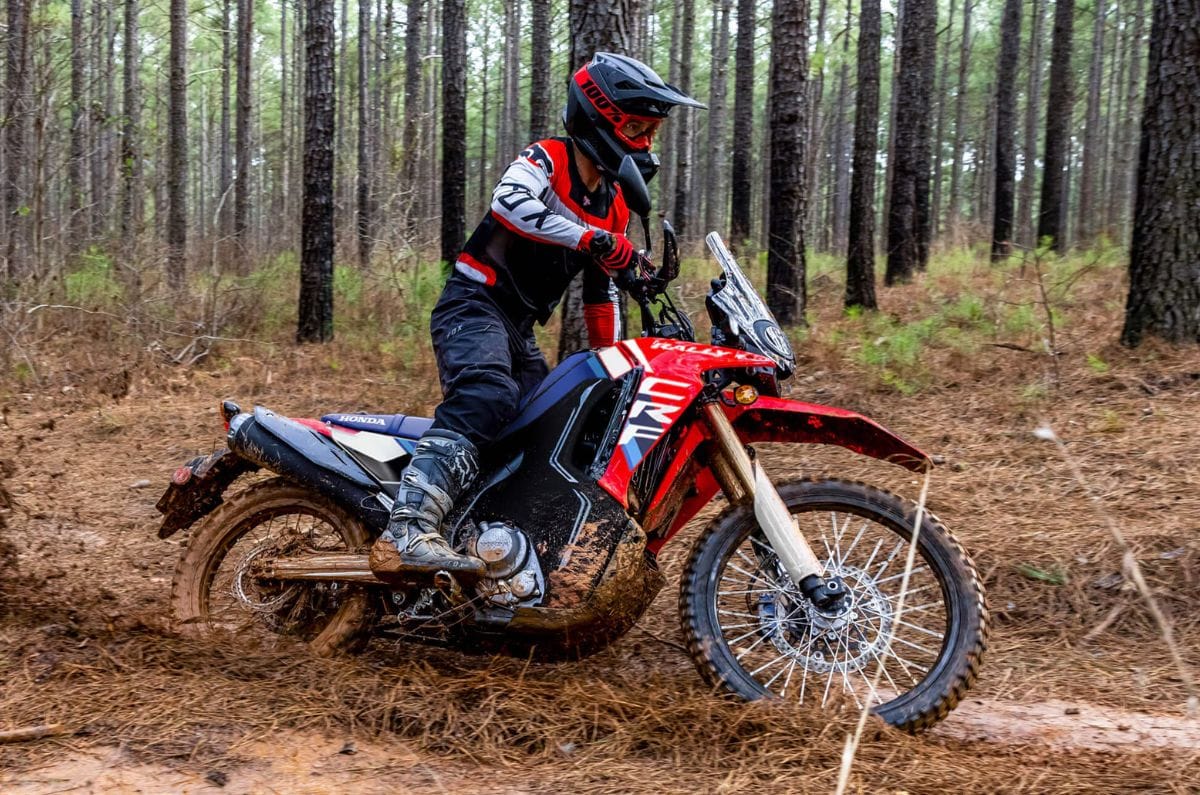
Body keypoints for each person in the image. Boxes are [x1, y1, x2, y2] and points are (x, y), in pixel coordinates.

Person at [369, 53, 704, 583]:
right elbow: (509, 203)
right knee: (486, 395)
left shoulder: (614, 206)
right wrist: (591, 239)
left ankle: (488, 536)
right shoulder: (547, 158)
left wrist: (614, 361)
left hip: (518, 328)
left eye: (651, 131)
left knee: (548, 429)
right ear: (599, 118)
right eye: (635, 128)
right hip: (473, 304)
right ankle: (407, 530)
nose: (644, 142)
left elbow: (601, 293)